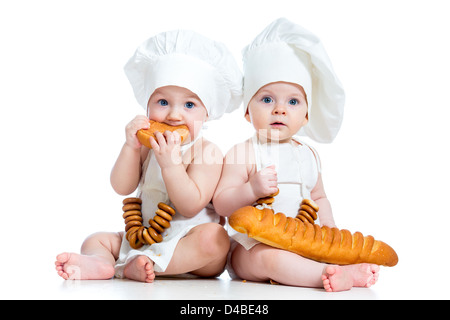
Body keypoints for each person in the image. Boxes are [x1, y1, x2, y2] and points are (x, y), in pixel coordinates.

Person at [55, 29, 242, 283]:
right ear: (147, 106)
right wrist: (130, 148)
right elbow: (122, 187)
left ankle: (135, 266)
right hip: (144, 236)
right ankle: (101, 263)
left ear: (206, 113)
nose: (174, 115)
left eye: (189, 105)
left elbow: (190, 205)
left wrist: (171, 165)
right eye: (163, 102)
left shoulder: (207, 151)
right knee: (95, 239)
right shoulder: (147, 146)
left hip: (189, 243)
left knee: (216, 240)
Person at [213, 18, 379, 292]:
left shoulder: (309, 155)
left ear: (305, 116)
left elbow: (319, 197)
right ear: (247, 111)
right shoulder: (243, 153)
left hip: (303, 240)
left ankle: (338, 266)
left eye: (293, 101)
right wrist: (250, 189)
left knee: (315, 251)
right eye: (266, 99)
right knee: (273, 259)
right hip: (250, 248)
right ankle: (324, 275)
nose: (280, 109)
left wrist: (329, 229)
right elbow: (221, 205)